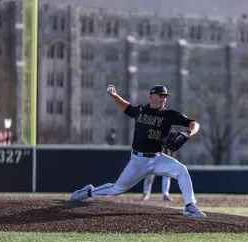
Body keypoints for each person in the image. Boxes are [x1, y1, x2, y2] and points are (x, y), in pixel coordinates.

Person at [70, 84, 206, 217]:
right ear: (152, 96)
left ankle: (189, 206)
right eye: (160, 96)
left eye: (165, 97)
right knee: (116, 189)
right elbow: (127, 108)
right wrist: (114, 95)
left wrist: (187, 133)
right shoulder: (141, 110)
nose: (163, 99)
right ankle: (88, 192)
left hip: (158, 158)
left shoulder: (169, 115)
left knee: (181, 170)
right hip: (138, 161)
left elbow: (194, 124)